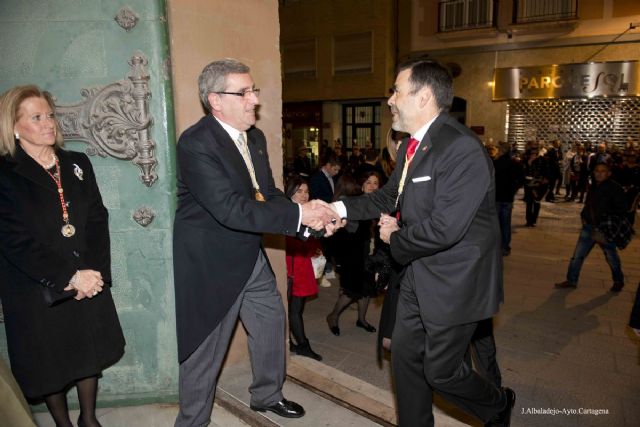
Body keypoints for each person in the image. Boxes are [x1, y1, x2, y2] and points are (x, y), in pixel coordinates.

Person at [329, 59, 514, 427]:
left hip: (456, 281)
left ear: (425, 96)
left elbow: (446, 228)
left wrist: (395, 237)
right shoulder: (413, 146)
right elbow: (387, 197)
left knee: (441, 371)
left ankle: (498, 403)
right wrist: (336, 208)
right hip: (417, 273)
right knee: (405, 360)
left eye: (397, 91)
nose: (390, 100)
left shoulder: (461, 148)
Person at [172, 59, 338, 425]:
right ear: (216, 100)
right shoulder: (196, 143)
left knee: (270, 323)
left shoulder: (255, 137)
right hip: (212, 262)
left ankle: (266, 395)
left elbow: (266, 194)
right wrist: (299, 215)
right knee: (205, 350)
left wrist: (308, 220)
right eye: (244, 92)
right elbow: (230, 209)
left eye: (254, 90)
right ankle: (192, 422)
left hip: (249, 254)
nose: (254, 99)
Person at [0, 85, 125, 427]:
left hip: (86, 276)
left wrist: (93, 273)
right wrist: (69, 276)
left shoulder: (76, 163)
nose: (48, 123)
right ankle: (63, 424)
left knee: (88, 350)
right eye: (36, 117)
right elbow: (12, 240)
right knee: (49, 360)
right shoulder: (6, 174)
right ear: (14, 126)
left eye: (50, 115)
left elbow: (97, 218)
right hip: (36, 284)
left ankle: (89, 419)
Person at [555, 162, 628, 292]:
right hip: (588, 227)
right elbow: (588, 204)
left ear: (609, 173)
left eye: (603, 171)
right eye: (597, 171)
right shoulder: (594, 185)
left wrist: (606, 222)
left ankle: (618, 281)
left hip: (604, 229)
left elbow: (621, 210)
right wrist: (584, 216)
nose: (599, 174)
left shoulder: (615, 188)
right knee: (577, 255)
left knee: (611, 256)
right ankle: (571, 280)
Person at [326, 172, 381, 336]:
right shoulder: (352, 202)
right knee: (351, 291)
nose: (372, 186)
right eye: (368, 182)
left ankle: (361, 320)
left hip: (368, 253)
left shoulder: (377, 202)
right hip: (352, 255)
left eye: (375, 183)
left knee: (367, 289)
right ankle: (333, 316)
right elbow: (344, 232)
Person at [285, 176, 322, 361]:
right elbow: (291, 241)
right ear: (290, 192)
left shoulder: (308, 213)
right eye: (299, 191)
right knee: (292, 310)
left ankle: (294, 343)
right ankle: (302, 345)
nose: (304, 195)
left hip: (302, 265)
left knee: (295, 310)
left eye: (306, 191)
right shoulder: (287, 214)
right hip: (290, 268)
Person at [492, 141, 524, 256]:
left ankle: (496, 246)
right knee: (506, 223)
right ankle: (505, 247)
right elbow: (521, 179)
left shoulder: (495, 163)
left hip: (496, 197)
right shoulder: (514, 163)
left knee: (496, 224)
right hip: (508, 198)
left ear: (501, 151)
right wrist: (513, 190)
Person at [522, 141, 549, 227]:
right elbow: (523, 171)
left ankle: (534, 220)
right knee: (529, 202)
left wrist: (543, 180)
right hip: (528, 183)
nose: (533, 153)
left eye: (535, 151)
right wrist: (528, 163)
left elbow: (545, 172)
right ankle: (528, 221)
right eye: (532, 151)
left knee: (536, 201)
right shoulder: (526, 159)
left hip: (538, 184)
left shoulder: (542, 160)